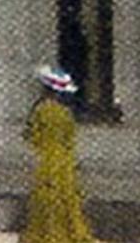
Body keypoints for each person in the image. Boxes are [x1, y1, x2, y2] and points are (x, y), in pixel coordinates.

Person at [22, 67, 96, 243]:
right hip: (65, 160)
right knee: (67, 198)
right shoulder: (66, 112)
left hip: (47, 160)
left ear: (46, 89)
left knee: (46, 199)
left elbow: (32, 136)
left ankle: (47, 234)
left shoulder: (40, 110)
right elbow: (70, 138)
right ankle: (70, 233)